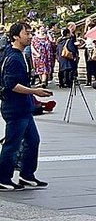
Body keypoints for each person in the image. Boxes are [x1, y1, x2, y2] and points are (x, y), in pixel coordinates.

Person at [0, 23, 51, 191]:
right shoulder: (14, 57)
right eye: (26, 33)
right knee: (12, 144)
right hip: (15, 107)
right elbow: (11, 84)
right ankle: (3, 178)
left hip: (23, 106)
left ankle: (27, 175)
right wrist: (34, 91)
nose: (30, 36)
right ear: (16, 36)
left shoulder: (16, 54)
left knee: (32, 140)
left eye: (30, 33)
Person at [56, 24, 79, 91]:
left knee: (62, 70)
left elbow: (57, 49)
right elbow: (72, 49)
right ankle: (67, 82)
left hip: (61, 57)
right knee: (68, 69)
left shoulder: (60, 41)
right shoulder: (69, 41)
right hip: (67, 57)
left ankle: (61, 83)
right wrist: (74, 55)